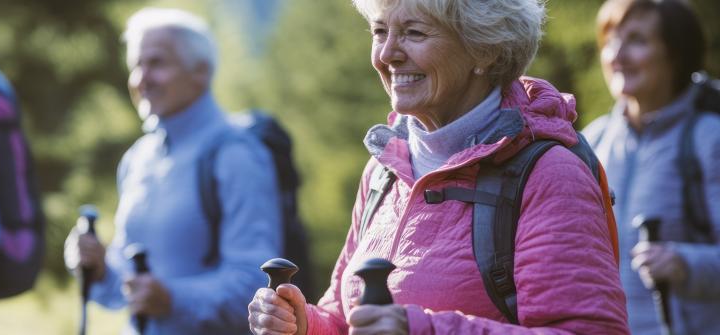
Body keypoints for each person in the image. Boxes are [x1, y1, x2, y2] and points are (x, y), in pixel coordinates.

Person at [248, 0, 629, 333]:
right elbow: (349, 320)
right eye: (380, 31)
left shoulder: (548, 174)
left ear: (486, 50)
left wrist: (420, 329)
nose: (387, 54)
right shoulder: (385, 168)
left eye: (413, 33)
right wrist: (305, 324)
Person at [63, 7, 283, 334]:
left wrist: (173, 299)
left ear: (201, 71)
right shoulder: (138, 158)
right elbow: (126, 286)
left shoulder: (236, 154)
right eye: (136, 65)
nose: (141, 79)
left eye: (156, 63)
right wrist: (98, 271)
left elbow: (258, 284)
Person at [583, 0, 720, 334]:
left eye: (637, 41)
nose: (616, 55)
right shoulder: (591, 141)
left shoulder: (710, 138)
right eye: (611, 41)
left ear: (676, 53)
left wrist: (685, 263)